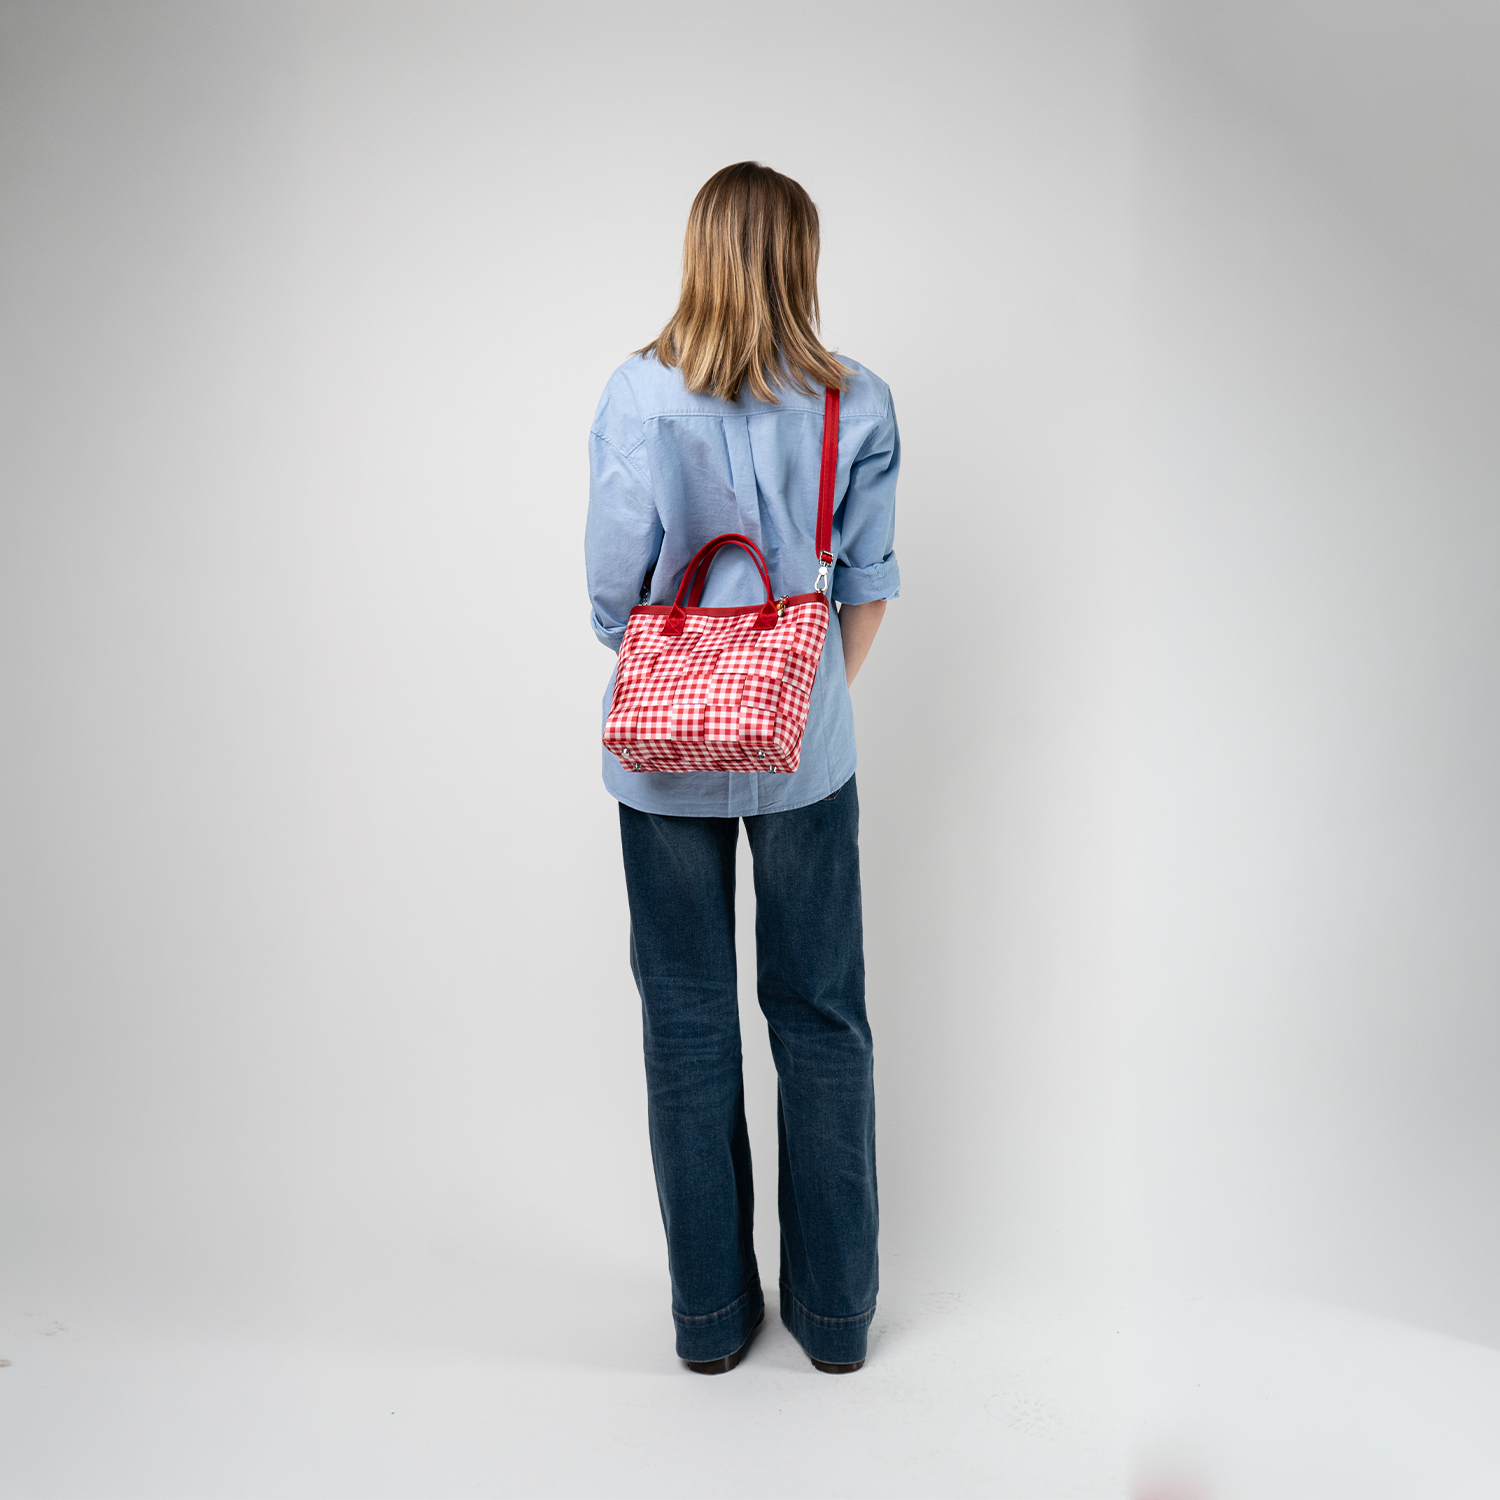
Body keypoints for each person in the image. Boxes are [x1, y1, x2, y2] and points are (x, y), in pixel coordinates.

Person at [584, 162, 900, 1376]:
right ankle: (834, 1326)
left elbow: (616, 600)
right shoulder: (854, 402)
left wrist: (695, 678)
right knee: (822, 1019)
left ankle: (711, 1326)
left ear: (698, 254)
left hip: (660, 758)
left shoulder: (636, 395)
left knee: (687, 1019)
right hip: (806, 750)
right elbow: (863, 592)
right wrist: (786, 701)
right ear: (801, 261)